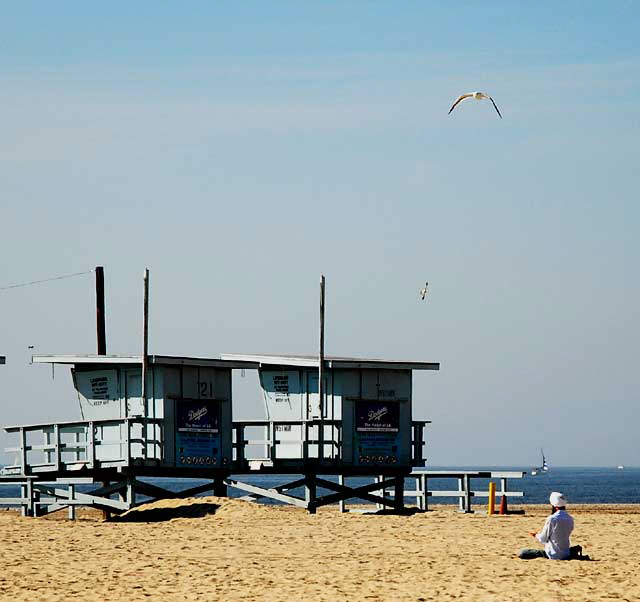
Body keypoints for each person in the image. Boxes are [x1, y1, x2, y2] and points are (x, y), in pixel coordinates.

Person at [519, 492, 579, 560]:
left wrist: (536, 535)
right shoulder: (570, 519)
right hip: (566, 553)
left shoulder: (552, 519)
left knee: (523, 552)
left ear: (554, 506)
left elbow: (543, 539)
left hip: (552, 554)